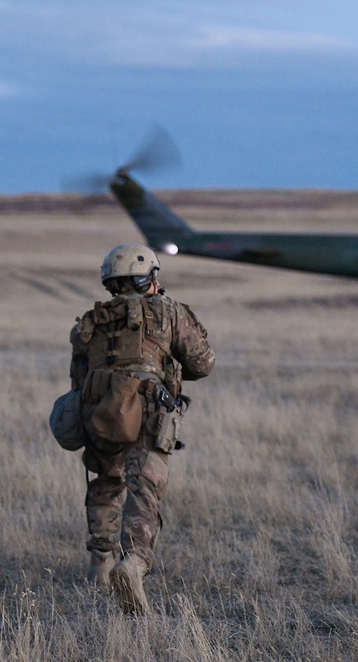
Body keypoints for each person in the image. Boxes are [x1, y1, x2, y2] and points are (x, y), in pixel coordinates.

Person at [68, 243, 215, 614]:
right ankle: (132, 564)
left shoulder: (90, 321)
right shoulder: (168, 311)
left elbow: (78, 378)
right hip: (149, 410)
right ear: (148, 278)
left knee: (106, 481)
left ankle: (99, 567)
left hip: (100, 410)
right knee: (144, 491)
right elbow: (202, 364)